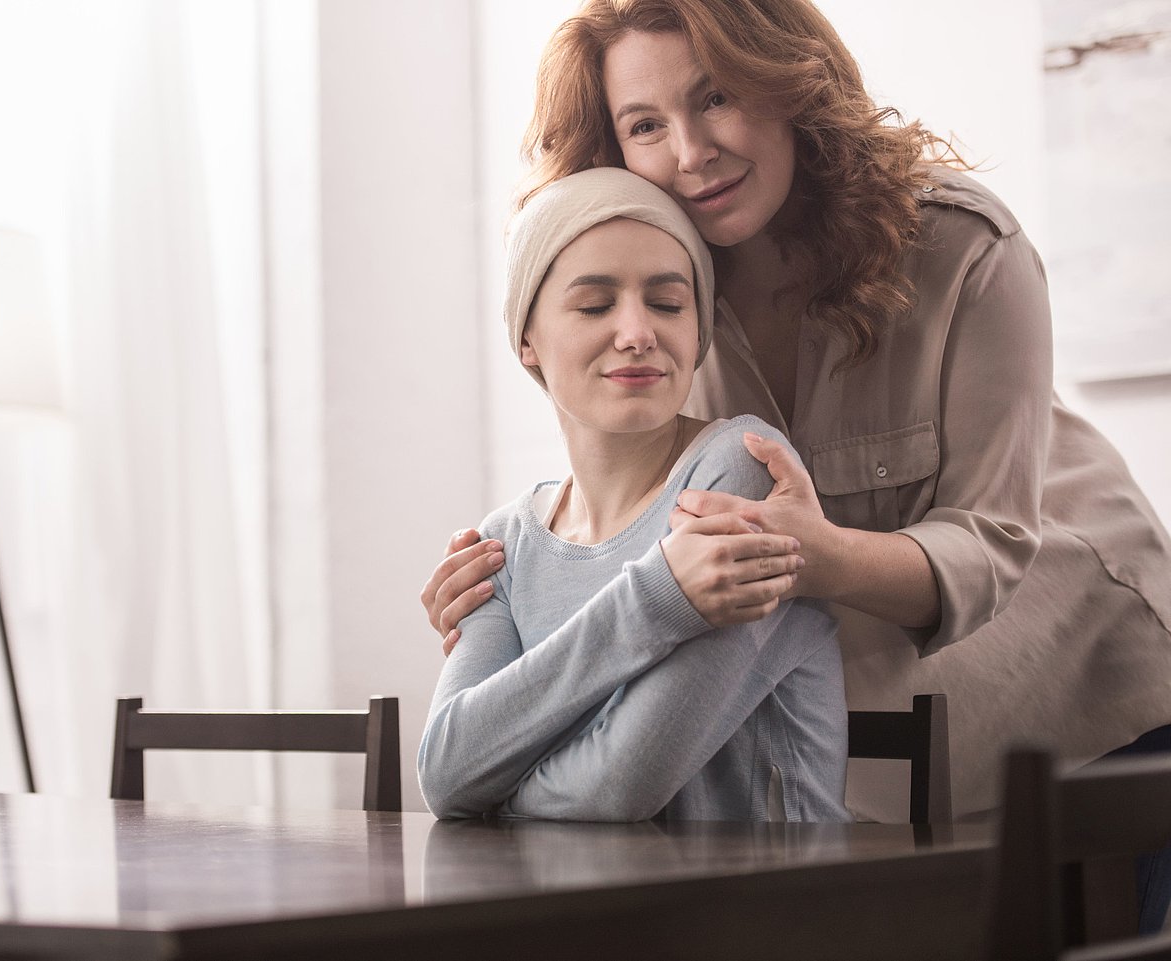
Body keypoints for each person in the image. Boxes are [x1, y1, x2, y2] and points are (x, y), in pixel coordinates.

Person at [419, 0, 1171, 929]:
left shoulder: (962, 246)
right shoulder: (669, 284)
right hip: (902, 719)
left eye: (719, 98)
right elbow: (646, 509)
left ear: (791, 83)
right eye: (645, 126)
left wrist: (813, 558)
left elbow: (993, 542)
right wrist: (518, 580)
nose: (690, 153)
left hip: (1091, 665)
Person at [418, 166, 849, 823]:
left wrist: (498, 788)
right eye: (595, 305)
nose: (637, 332)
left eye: (668, 304)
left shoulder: (740, 475)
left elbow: (620, 785)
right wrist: (659, 597)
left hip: (769, 914)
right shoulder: (503, 545)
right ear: (527, 339)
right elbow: (447, 774)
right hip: (585, 914)